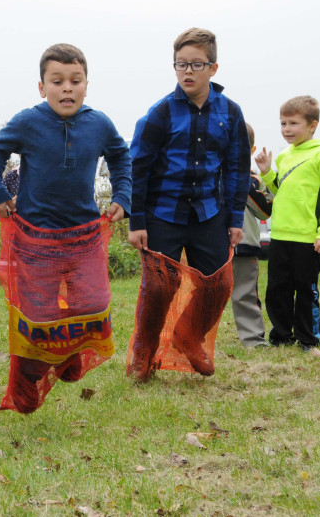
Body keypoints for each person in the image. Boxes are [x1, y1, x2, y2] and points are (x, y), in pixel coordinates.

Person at [0, 43, 132, 413]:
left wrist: (123, 195)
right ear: (42, 87)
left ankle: (68, 358)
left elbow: (120, 156)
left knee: (92, 304)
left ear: (86, 85)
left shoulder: (99, 124)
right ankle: (28, 381)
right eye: (57, 81)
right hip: (36, 239)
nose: (67, 88)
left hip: (85, 237)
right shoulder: (28, 121)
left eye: (75, 81)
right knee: (40, 316)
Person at [127, 27, 250, 381]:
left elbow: (238, 168)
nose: (188, 72)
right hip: (162, 213)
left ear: (213, 68)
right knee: (159, 288)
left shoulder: (231, 112)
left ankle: (189, 335)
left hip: (209, 214)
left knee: (219, 284)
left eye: (197, 64)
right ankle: (143, 353)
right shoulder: (160, 113)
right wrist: (138, 222)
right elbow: (139, 169)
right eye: (181, 64)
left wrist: (235, 218)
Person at [254, 96, 320, 358]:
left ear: (313, 126)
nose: (287, 129)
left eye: (293, 123)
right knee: (278, 288)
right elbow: (281, 191)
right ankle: (281, 336)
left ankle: (308, 340)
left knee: (305, 288)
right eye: (283, 123)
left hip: (308, 237)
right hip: (280, 234)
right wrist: (267, 173)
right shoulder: (284, 156)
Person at [231, 124, 272, 348]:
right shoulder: (207, 175)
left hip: (245, 243)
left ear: (251, 150)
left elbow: (265, 210)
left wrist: (240, 180)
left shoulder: (253, 180)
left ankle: (253, 339)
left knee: (245, 293)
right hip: (211, 244)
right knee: (205, 293)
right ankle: (195, 339)